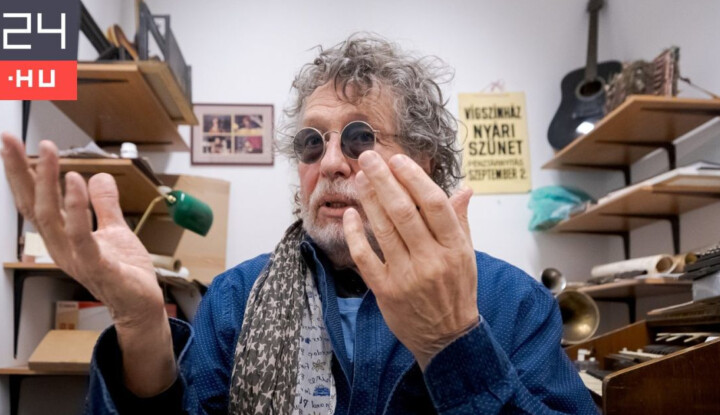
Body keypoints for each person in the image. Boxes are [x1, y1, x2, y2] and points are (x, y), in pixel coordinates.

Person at [1, 34, 596, 414]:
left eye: (359, 137)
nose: (330, 161)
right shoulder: (235, 298)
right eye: (312, 143)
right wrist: (140, 328)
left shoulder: (512, 301)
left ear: (424, 163)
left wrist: (452, 341)